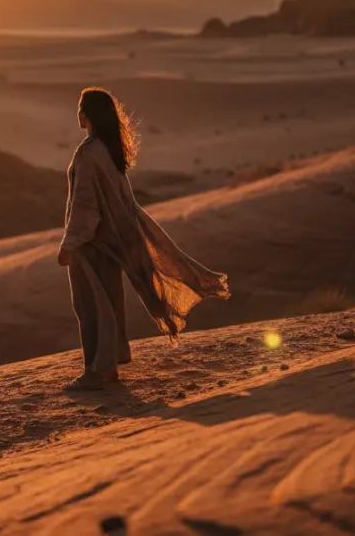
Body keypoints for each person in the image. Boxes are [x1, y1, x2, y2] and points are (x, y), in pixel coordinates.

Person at [57, 87, 230, 390]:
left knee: (92, 306)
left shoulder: (88, 153)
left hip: (93, 244)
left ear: (87, 115)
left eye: (80, 108)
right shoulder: (110, 149)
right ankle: (111, 361)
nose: (77, 113)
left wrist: (70, 244)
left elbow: (86, 205)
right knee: (109, 302)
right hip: (114, 241)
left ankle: (99, 370)